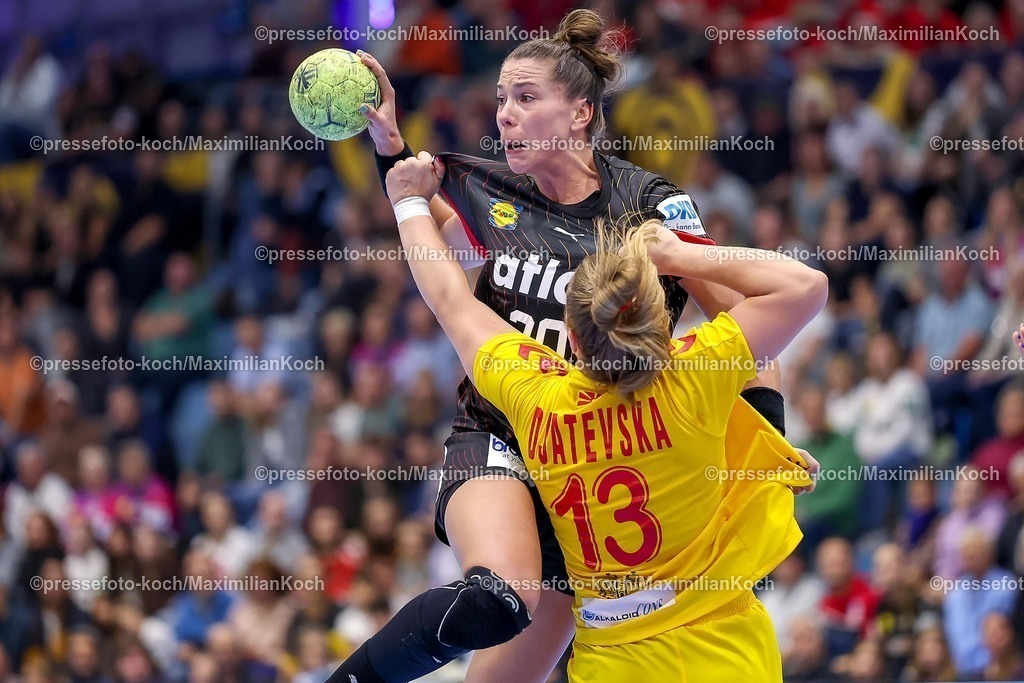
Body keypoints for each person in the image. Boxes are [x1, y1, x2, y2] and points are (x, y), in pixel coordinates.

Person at [331, 10, 800, 682]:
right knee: (500, 598)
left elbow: (751, 329)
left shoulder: (650, 206)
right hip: (505, 427)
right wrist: (388, 147)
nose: (505, 117)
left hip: (600, 452)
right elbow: (431, 234)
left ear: (581, 112)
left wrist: (765, 448)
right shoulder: (487, 186)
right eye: (499, 100)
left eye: (525, 98)